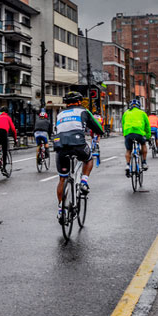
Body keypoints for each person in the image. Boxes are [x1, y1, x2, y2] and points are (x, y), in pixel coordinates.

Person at [54, 91, 104, 221]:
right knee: (88, 159)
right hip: (78, 143)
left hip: (60, 146)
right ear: (79, 101)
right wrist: (100, 132)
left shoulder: (60, 114)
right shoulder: (83, 111)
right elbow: (98, 128)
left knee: (62, 179)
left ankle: (61, 210)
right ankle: (84, 182)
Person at [122, 99, 151, 176]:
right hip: (139, 133)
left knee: (128, 150)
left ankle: (128, 165)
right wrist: (148, 136)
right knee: (143, 145)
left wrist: (125, 134)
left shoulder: (126, 113)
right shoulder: (142, 113)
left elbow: (123, 124)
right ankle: (144, 162)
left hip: (128, 133)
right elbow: (147, 126)